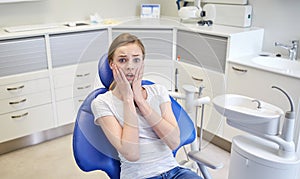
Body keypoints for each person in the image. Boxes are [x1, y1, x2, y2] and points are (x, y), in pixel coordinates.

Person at [91, 33, 202, 179]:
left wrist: (142, 102)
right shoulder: (102, 103)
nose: (130, 66)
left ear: (142, 63)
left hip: (175, 172)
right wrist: (129, 100)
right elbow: (132, 153)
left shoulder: (158, 91)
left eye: (136, 59)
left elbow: (174, 141)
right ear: (112, 64)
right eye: (122, 60)